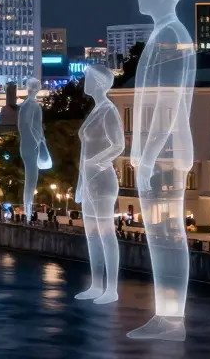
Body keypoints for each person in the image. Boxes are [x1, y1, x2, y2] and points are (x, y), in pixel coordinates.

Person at [127, 0, 196, 342]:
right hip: (160, 153)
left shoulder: (171, 36)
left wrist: (148, 156)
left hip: (166, 155)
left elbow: (167, 107)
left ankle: (171, 321)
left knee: (168, 235)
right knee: (162, 235)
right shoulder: (164, 34)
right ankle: (166, 316)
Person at [75, 65, 125, 304]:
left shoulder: (108, 110)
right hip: (88, 180)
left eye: (88, 78)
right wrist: (80, 182)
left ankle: (112, 289)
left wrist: (96, 163)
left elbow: (118, 145)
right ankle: (96, 285)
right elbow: (84, 150)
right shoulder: (96, 110)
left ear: (98, 82)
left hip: (103, 179)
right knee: (92, 235)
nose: (85, 81)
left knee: (106, 234)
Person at [18, 78, 49, 219]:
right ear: (38, 89)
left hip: (25, 145)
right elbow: (30, 125)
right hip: (32, 145)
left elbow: (24, 125)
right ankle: (28, 212)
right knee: (32, 179)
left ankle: (28, 210)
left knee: (30, 178)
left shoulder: (25, 105)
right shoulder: (33, 105)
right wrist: (40, 140)